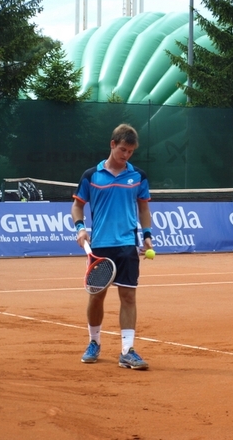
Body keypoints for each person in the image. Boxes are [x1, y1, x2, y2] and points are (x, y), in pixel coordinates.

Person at [71, 124, 153, 370]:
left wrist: (147, 235)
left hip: (127, 245)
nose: (126, 155)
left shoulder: (138, 176)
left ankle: (127, 351)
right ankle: (94, 342)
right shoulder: (90, 176)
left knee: (128, 296)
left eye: (130, 151)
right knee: (96, 298)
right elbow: (77, 206)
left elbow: (144, 208)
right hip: (100, 248)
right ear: (112, 144)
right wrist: (80, 228)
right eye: (123, 149)